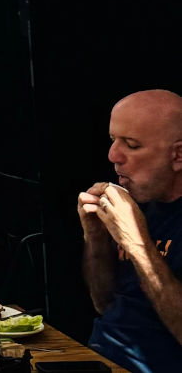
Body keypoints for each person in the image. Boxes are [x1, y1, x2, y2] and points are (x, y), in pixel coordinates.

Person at [81, 89, 182, 373]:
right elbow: (104, 304)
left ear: (178, 155)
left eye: (132, 145)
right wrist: (96, 237)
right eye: (113, 140)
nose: (113, 155)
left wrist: (137, 243)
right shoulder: (141, 202)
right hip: (98, 357)